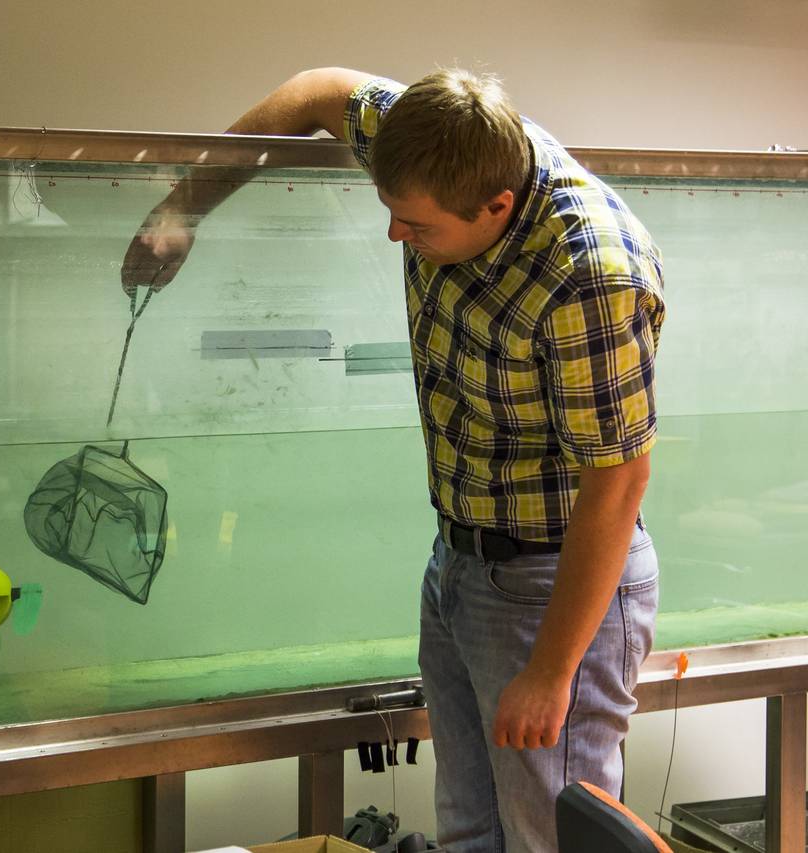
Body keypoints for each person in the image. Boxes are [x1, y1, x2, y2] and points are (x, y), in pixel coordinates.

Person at [120, 67, 665, 852]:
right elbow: (313, 91)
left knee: (550, 836)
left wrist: (552, 669)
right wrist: (182, 209)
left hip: (557, 584)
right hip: (462, 558)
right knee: (470, 828)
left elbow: (618, 482)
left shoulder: (589, 275)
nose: (395, 237)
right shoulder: (438, 139)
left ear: (498, 207)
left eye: (416, 225)